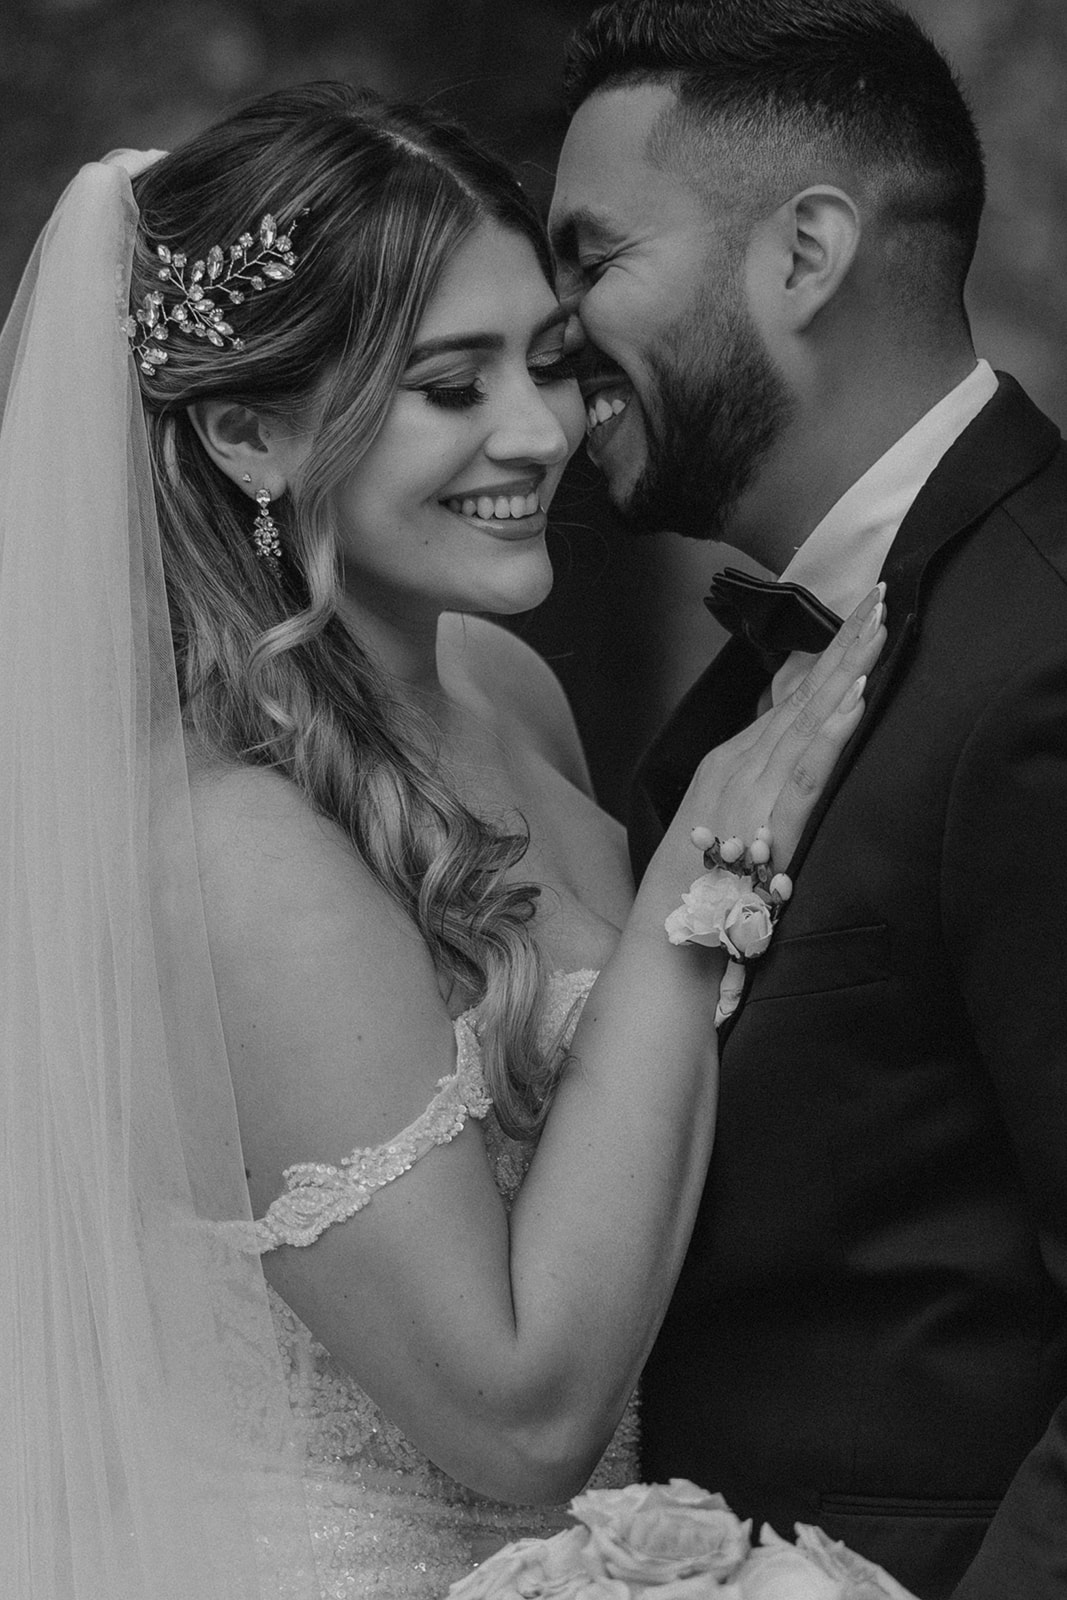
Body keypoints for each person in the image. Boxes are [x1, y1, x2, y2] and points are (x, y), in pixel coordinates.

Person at [0, 83, 886, 1599]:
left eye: (544, 360)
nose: (540, 430)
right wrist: (694, 900)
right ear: (247, 432)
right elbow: (521, 1413)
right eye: (448, 384)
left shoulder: (503, 687)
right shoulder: (243, 848)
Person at [549, 2, 1067, 1597]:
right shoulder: (760, 691)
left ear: (805, 254)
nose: (553, 333)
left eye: (592, 258)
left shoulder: (1040, 658)